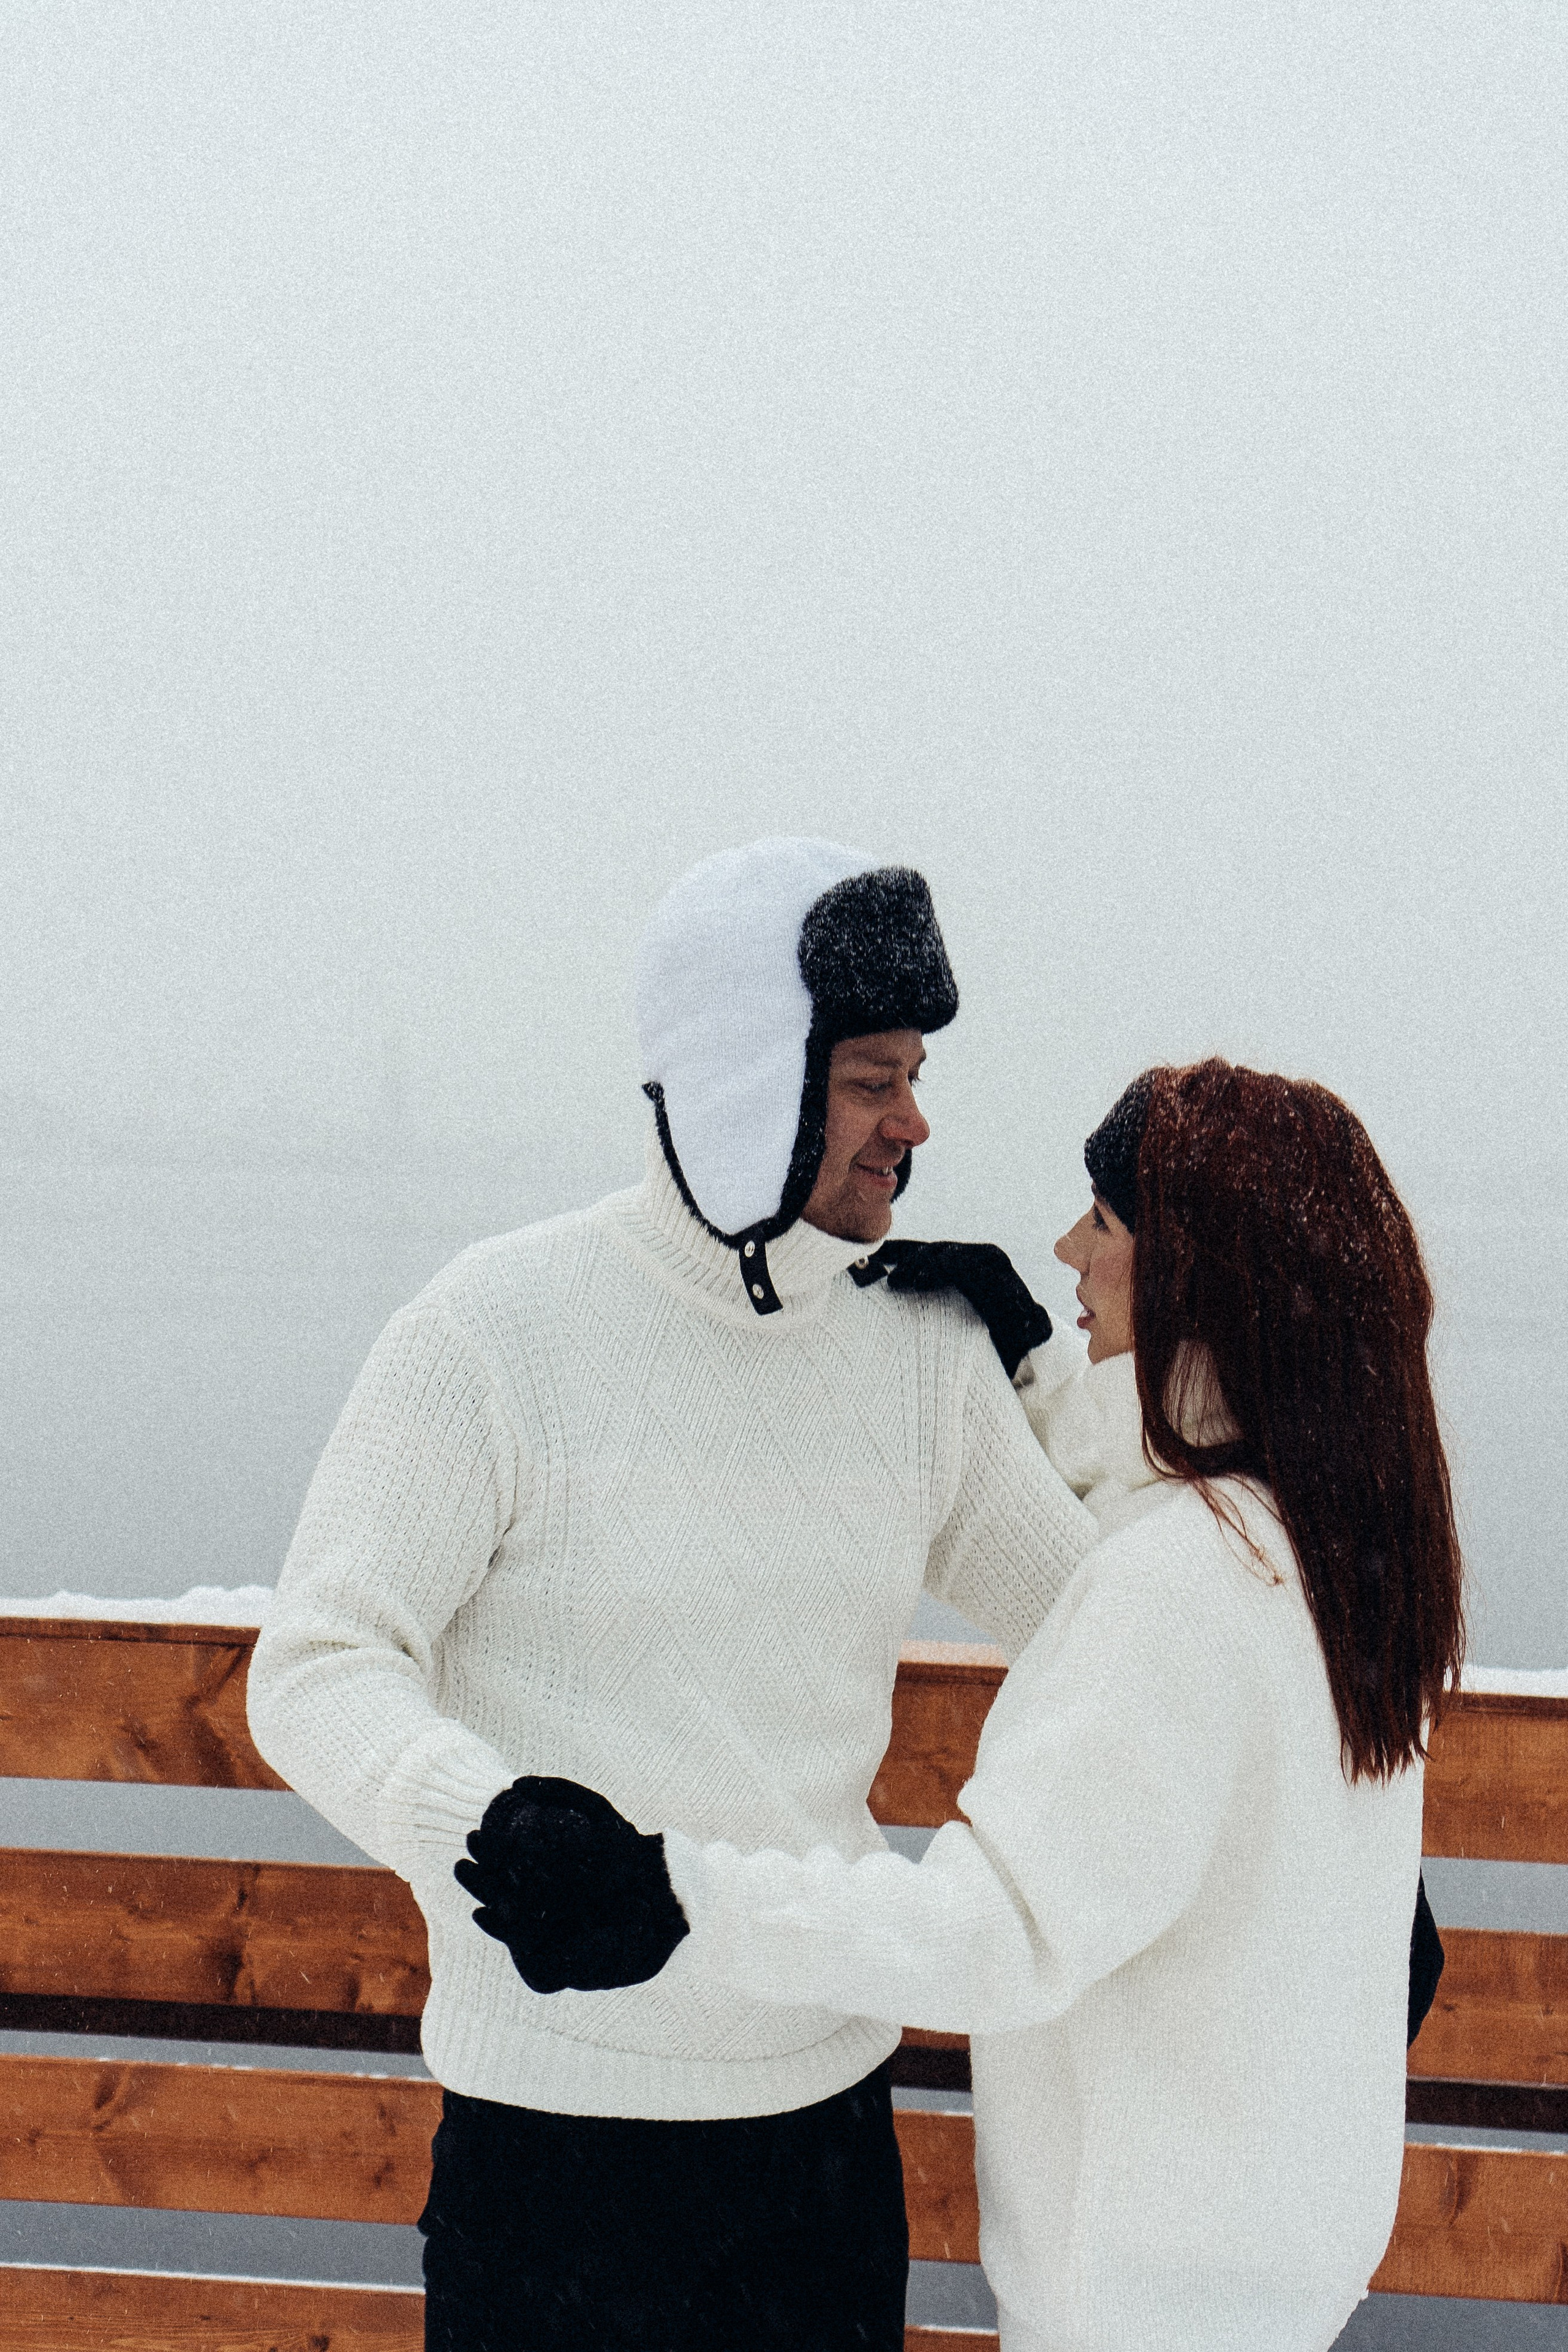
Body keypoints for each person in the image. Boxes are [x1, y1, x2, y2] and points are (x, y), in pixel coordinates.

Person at [246, 835, 1100, 2352]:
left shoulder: (921, 1355)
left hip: (819, 2151)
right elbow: (319, 1663)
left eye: (912, 1075)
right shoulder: (493, 1333)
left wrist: (1040, 1378)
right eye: (867, 1081)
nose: (913, 1124)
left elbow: (1115, 1642)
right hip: (552, 2148)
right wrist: (485, 1825)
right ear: (740, 1085)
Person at [483, 1058, 1467, 2352]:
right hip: (1263, 2280)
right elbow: (1154, 1557)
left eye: (1103, 1224)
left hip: (1129, 2303)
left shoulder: (1181, 1590)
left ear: (1193, 1280)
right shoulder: (1326, 1550)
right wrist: (1040, 1369)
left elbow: (990, 1932)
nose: (1066, 1247)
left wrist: (673, 1896)